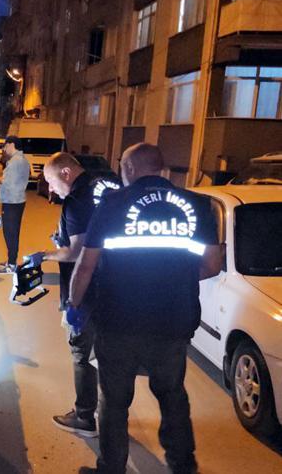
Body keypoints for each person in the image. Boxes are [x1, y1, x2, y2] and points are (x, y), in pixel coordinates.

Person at [69, 143, 222, 474]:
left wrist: (74, 305)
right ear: (161, 167)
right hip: (173, 321)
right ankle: (183, 466)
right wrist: (177, 278)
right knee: (172, 396)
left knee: (114, 400)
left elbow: (85, 266)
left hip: (119, 320)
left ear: (130, 168)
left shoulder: (112, 204)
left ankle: (111, 468)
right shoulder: (197, 204)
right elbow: (213, 264)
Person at [25, 152, 121, 437]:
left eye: (51, 181)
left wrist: (45, 255)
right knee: (112, 356)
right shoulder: (110, 187)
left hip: (89, 288)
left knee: (82, 352)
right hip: (119, 284)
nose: (51, 190)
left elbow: (78, 252)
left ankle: (84, 416)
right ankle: (113, 416)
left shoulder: (77, 200)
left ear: (66, 173)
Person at [0, 136, 31, 274]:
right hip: (18, 200)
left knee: (10, 233)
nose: (5, 149)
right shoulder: (23, 160)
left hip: (11, 201)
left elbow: (8, 183)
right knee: (13, 232)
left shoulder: (15, 161)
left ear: (12, 144)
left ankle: (11, 264)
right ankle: (11, 260)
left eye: (5, 146)